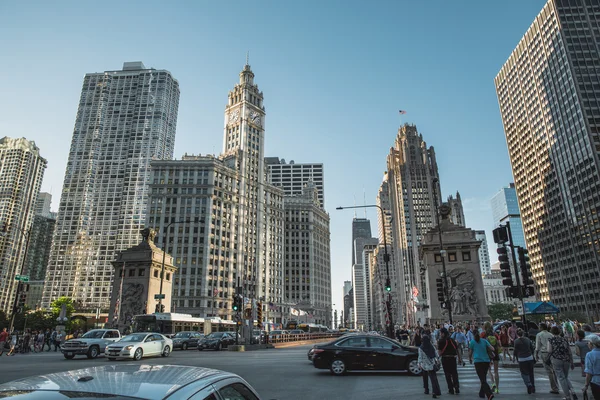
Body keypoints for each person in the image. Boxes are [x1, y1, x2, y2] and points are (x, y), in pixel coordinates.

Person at [548, 325, 576, 400]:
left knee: (561, 378)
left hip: (556, 359)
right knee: (565, 376)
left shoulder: (551, 340)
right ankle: (572, 390)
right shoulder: (564, 339)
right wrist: (572, 361)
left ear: (552, 332)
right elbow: (569, 351)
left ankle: (567, 396)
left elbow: (549, 351)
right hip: (566, 359)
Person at [469, 327, 495, 400]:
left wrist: (470, 359)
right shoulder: (484, 341)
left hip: (478, 361)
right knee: (483, 377)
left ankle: (489, 394)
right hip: (486, 361)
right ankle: (481, 393)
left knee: (482, 379)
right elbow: (492, 348)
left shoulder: (472, 342)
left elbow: (470, 352)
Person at [536, 322, 560, 394]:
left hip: (544, 353)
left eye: (539, 327)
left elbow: (537, 346)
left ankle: (554, 387)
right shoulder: (551, 334)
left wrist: (536, 354)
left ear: (541, 328)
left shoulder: (539, 335)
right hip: (552, 353)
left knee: (549, 371)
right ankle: (557, 386)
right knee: (554, 370)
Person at [513, 328, 536, 394]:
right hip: (529, 357)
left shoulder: (516, 341)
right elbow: (532, 348)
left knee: (524, 373)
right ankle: (533, 387)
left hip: (521, 359)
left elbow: (515, 350)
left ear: (517, 334)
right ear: (523, 333)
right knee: (531, 373)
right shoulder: (528, 340)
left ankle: (528, 384)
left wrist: (514, 358)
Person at [438, 327, 460, 394]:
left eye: (440, 333)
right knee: (454, 373)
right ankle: (456, 387)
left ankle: (451, 389)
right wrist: (460, 359)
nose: (440, 334)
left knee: (447, 374)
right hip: (453, 358)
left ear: (443, 333)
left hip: (445, 358)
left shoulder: (441, 341)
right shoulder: (452, 340)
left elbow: (439, 352)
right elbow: (457, 349)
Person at [482, 322, 501, 394]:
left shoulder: (483, 334)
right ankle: (497, 388)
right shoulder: (495, 334)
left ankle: (493, 384)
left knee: (489, 370)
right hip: (495, 353)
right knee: (496, 371)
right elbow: (499, 344)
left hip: (487, 353)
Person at [583, 335, 600, 400]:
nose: (587, 344)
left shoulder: (590, 355)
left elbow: (589, 373)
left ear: (592, 344)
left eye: (588, 343)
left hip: (596, 382)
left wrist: (586, 385)